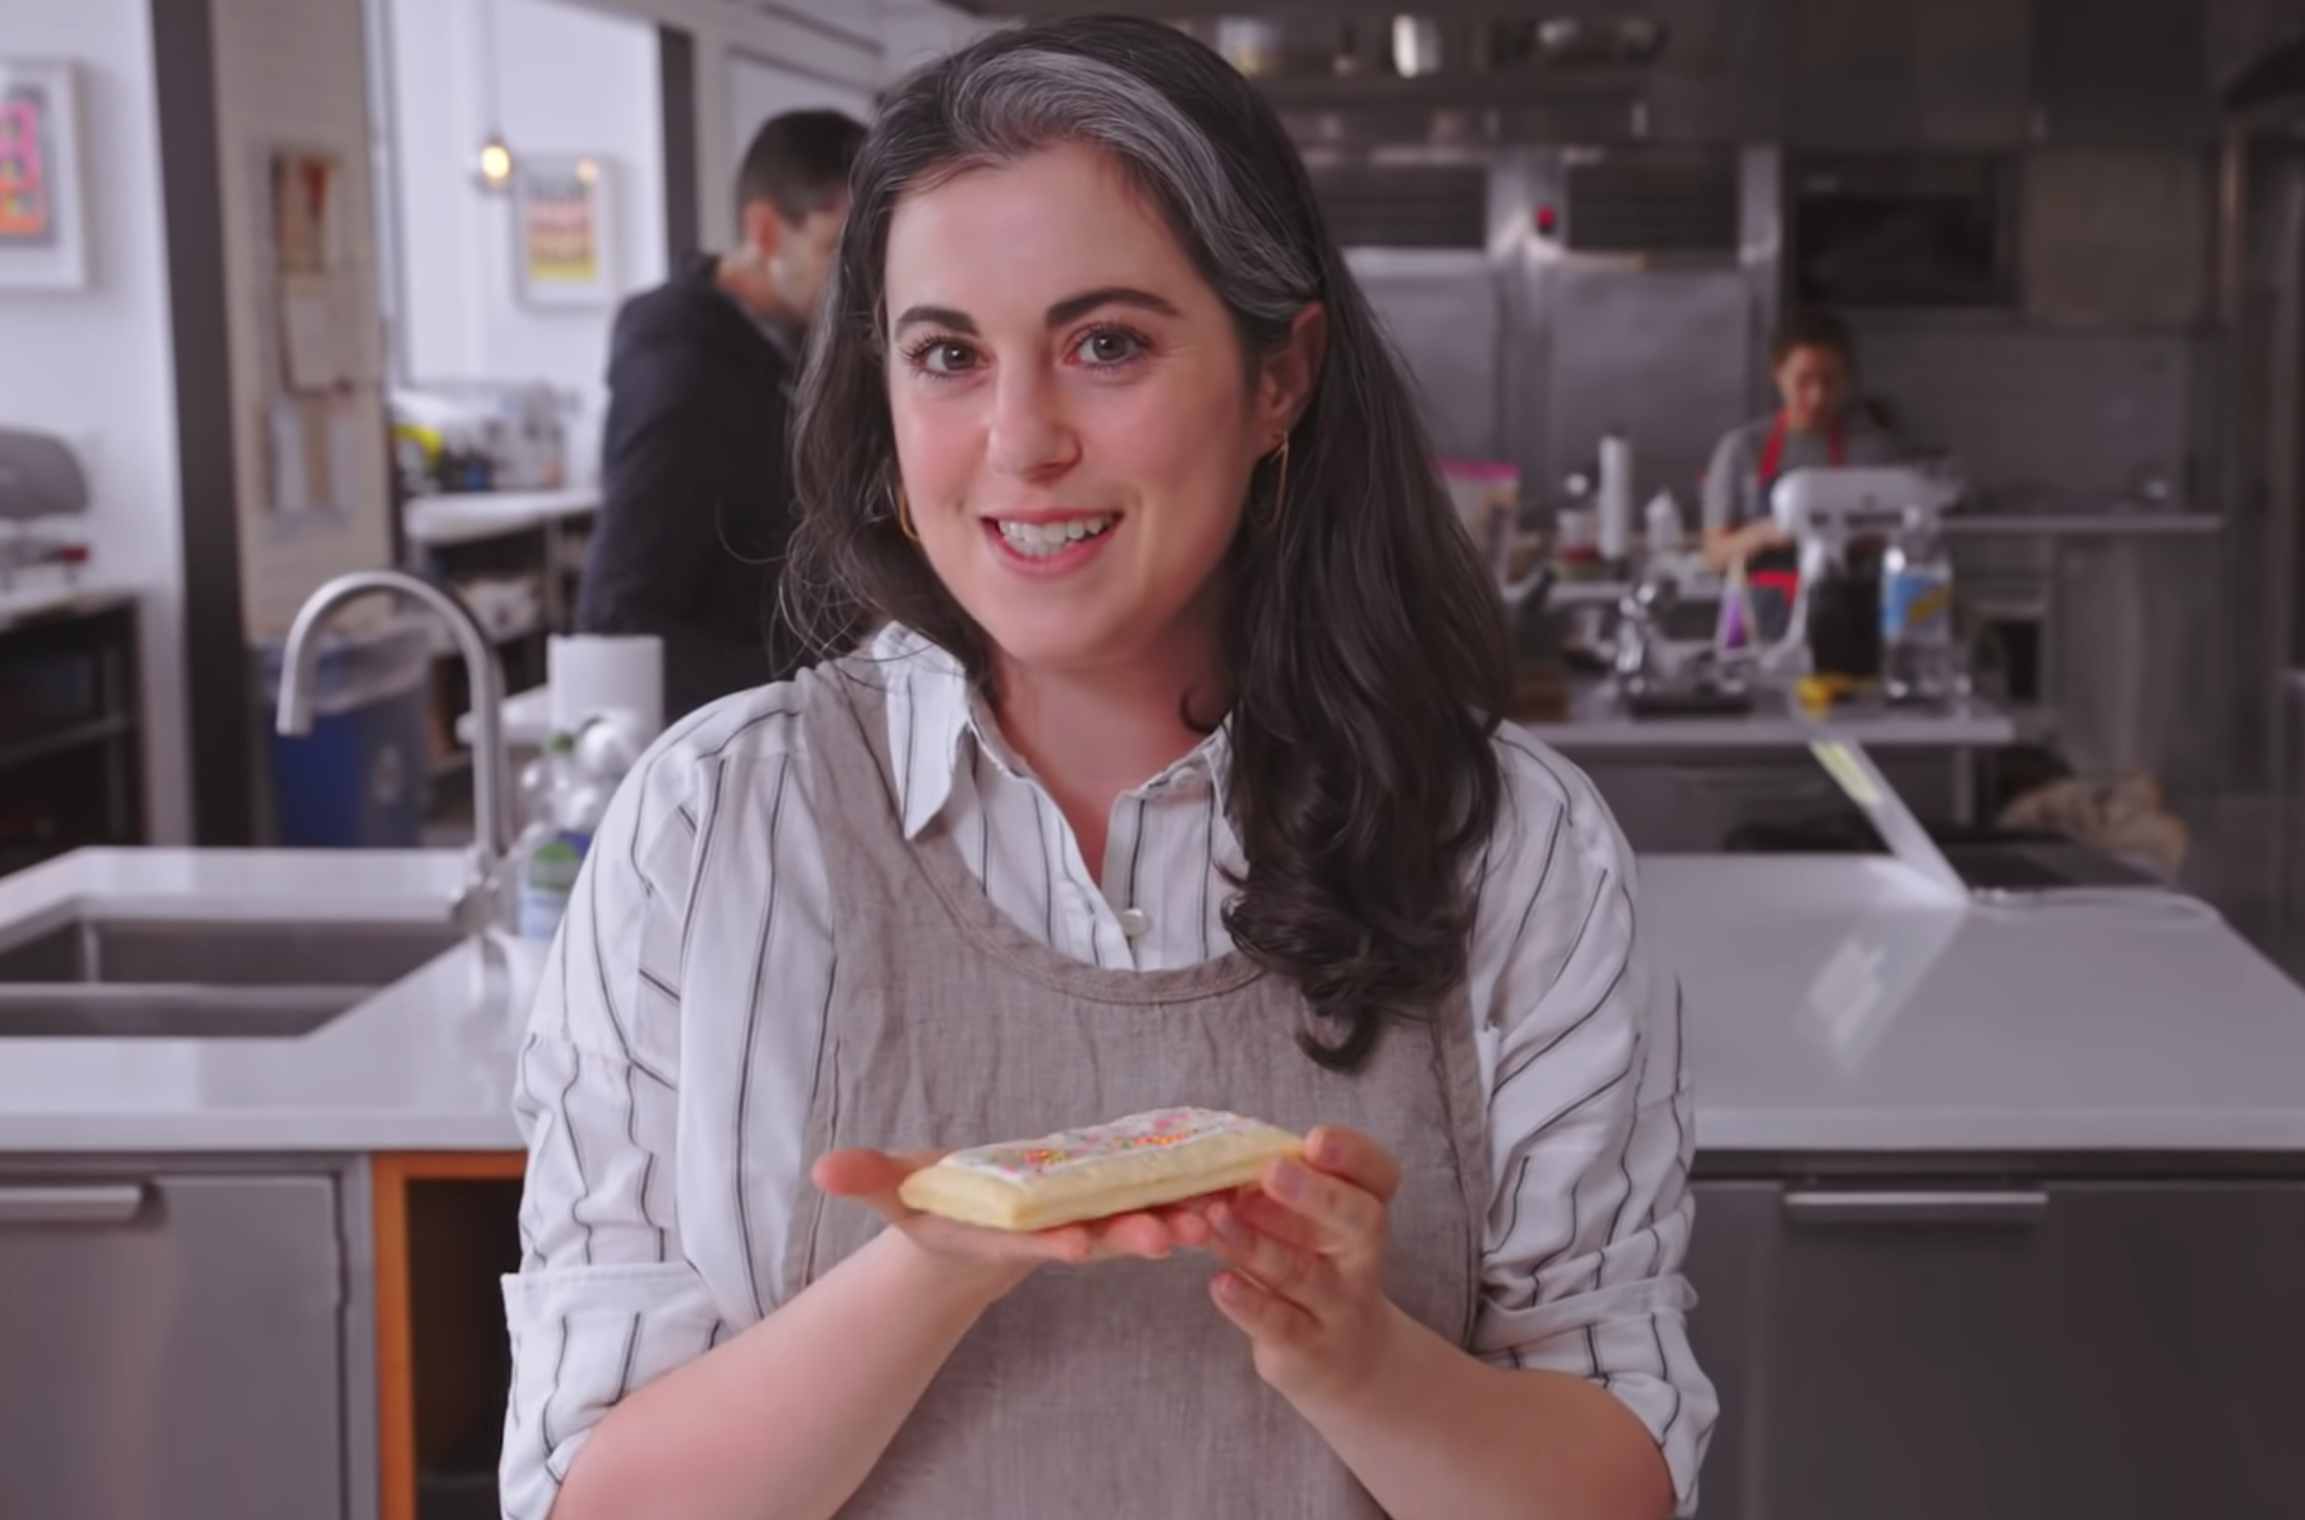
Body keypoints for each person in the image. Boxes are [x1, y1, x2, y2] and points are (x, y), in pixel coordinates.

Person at [502, 18, 1714, 1520]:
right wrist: (935, 1267)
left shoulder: (1510, 847)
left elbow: (1614, 1485)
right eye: (947, 355)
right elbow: (586, 1497)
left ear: (1283, 376)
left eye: (1107, 345)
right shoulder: (708, 831)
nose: (1020, 441)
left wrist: (1356, 1359)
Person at [574, 109, 866, 721]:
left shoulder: (794, 345)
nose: (858, 280)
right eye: (833, 248)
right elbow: (615, 619)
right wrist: (823, 673)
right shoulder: (682, 378)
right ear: (763, 231)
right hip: (729, 743)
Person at [1699, 308, 1904, 577]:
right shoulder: (1741, 449)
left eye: (1829, 382)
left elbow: (1904, 543)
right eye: (1803, 380)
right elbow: (1715, 555)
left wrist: (1857, 537)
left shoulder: (1874, 451)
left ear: (1848, 378)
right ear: (1777, 371)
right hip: (1761, 617)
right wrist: (1766, 534)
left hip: (1849, 612)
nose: (1816, 396)